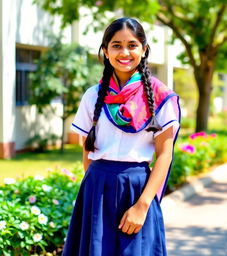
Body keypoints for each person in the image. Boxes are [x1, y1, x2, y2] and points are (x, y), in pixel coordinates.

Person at [62, 17, 180, 256]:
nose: (124, 52)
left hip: (137, 189)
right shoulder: (92, 95)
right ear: (105, 51)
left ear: (144, 50)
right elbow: (87, 148)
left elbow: (165, 155)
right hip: (96, 189)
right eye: (116, 45)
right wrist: (93, 193)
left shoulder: (160, 96)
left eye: (132, 45)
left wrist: (143, 205)